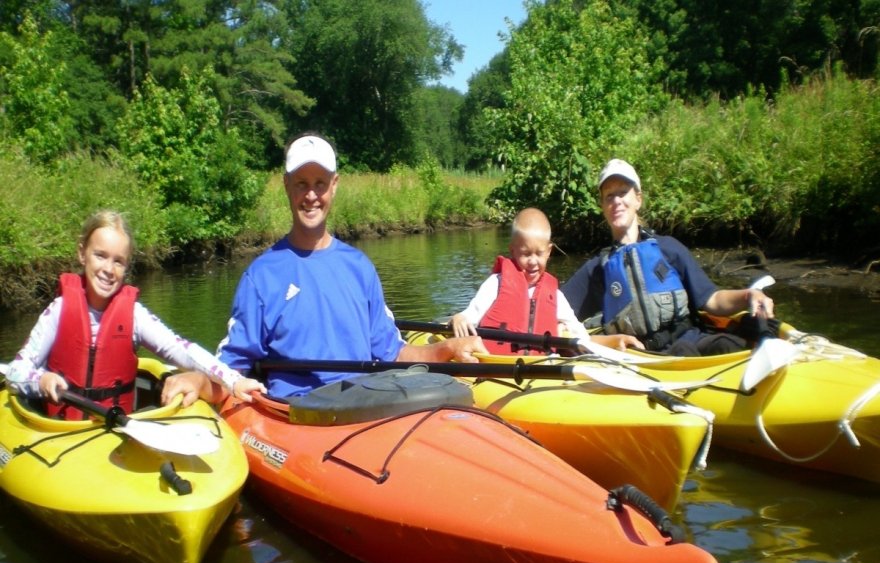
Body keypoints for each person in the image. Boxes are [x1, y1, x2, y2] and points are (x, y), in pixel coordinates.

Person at [165, 133, 487, 401]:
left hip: (364, 409)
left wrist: (447, 348)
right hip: (296, 419)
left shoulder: (359, 268)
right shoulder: (261, 276)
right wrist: (199, 381)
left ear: (334, 185)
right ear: (286, 185)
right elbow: (232, 369)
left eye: (320, 183)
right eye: (301, 183)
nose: (311, 195)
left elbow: (393, 354)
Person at [6, 210, 265, 418]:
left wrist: (233, 381)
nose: (108, 269)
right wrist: (41, 379)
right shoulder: (59, 310)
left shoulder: (135, 316)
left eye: (118, 261)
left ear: (127, 266)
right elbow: (17, 370)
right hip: (62, 434)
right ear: (82, 254)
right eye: (100, 256)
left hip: (114, 430)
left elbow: (182, 350)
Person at [561, 158, 775, 356]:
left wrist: (749, 295)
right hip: (643, 359)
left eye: (623, 192)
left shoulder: (669, 248)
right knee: (683, 351)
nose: (616, 201)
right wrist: (601, 341)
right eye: (609, 196)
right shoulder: (597, 268)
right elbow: (556, 310)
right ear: (603, 207)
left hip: (692, 339)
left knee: (727, 343)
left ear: (638, 199)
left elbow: (712, 300)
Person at [450, 207, 644, 354]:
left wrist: (609, 343)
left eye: (539, 254)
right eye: (525, 254)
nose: (533, 261)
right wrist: (458, 318)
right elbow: (469, 316)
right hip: (497, 366)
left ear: (549, 252)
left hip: (540, 367)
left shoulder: (555, 296)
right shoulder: (496, 284)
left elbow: (580, 334)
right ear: (513, 251)